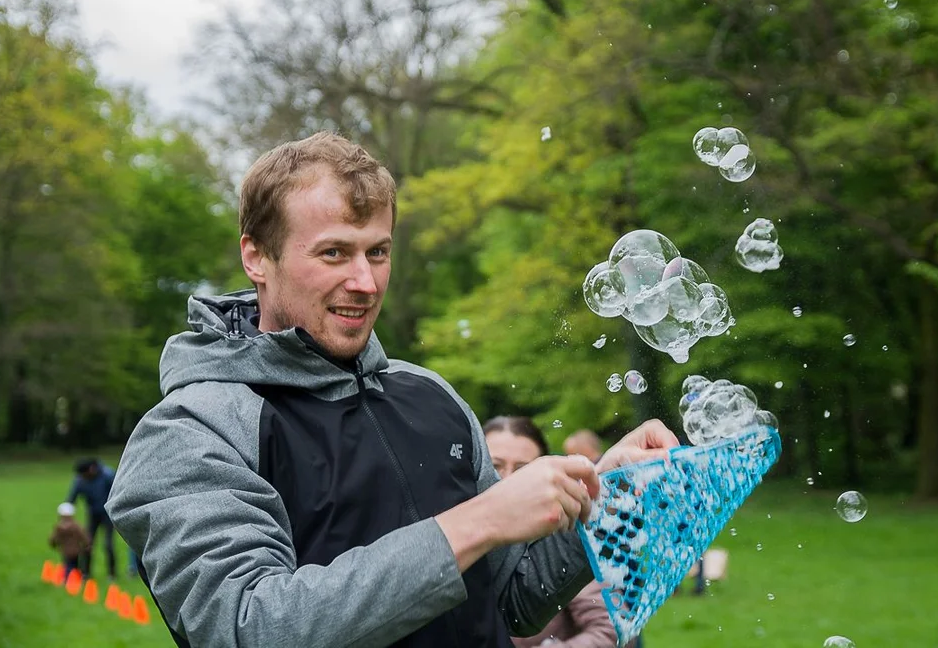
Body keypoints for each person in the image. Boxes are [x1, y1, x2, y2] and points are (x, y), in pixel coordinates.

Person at [106, 131, 678, 647]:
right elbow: (248, 627)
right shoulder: (191, 430)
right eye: (334, 252)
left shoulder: (430, 395)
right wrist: (478, 522)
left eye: (377, 251)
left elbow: (512, 603)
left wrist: (609, 491)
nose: (365, 282)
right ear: (256, 255)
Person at [483, 416, 618, 648]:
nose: (506, 480)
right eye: (494, 467)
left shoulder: (564, 540)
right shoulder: (462, 540)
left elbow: (610, 629)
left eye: (522, 470)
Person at [67, 457, 116, 580]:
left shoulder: (108, 475)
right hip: (93, 515)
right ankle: (86, 573)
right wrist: (66, 515)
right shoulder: (80, 480)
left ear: (91, 469)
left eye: (84, 474)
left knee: (108, 544)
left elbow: (117, 494)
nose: (83, 477)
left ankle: (112, 574)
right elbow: (71, 499)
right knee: (87, 543)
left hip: (108, 515)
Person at [49, 501, 89, 579]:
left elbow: (53, 538)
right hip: (76, 550)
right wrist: (87, 545)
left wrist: (53, 544)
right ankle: (77, 579)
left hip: (65, 551)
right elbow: (83, 536)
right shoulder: (76, 526)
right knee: (76, 565)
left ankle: (67, 579)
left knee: (67, 565)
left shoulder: (59, 527)